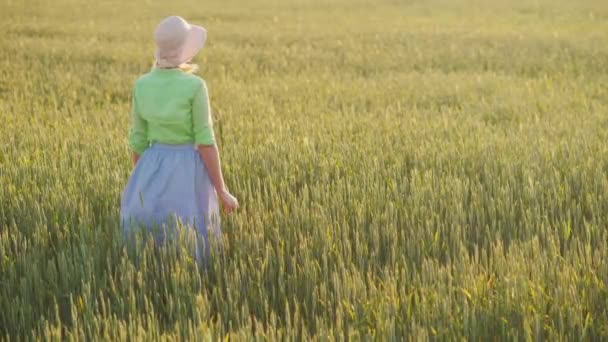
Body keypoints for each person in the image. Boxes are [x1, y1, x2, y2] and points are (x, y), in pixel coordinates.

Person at [120, 16, 238, 261]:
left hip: (151, 164)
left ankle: (151, 279)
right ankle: (188, 286)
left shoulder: (141, 85)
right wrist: (222, 190)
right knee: (189, 235)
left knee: (152, 237)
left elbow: (137, 141)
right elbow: (205, 142)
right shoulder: (195, 86)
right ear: (185, 50)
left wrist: (142, 182)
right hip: (187, 168)